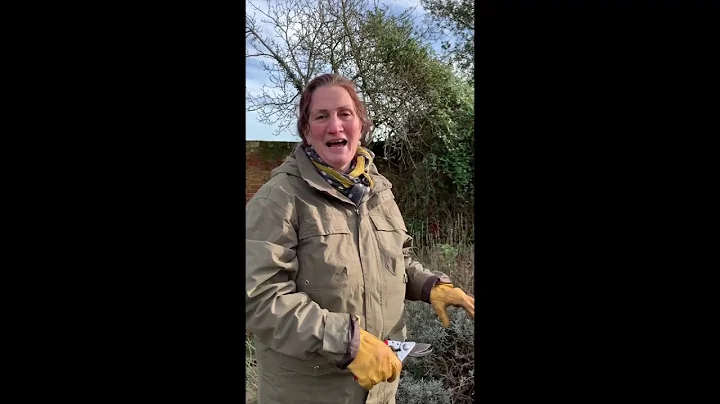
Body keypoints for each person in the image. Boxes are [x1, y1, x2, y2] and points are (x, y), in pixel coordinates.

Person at [245, 73, 475, 404]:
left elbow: (397, 257)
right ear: (307, 133)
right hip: (311, 392)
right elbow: (260, 297)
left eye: (345, 114)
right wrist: (346, 341)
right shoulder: (279, 198)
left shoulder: (378, 189)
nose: (335, 126)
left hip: (381, 387)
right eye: (321, 117)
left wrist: (429, 284)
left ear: (361, 125)